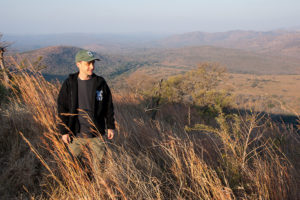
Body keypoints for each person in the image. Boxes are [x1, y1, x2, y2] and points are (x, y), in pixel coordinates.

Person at [57, 49, 115, 165]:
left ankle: (99, 183)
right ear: (78, 64)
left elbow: (108, 106)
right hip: (75, 134)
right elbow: (62, 109)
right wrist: (64, 131)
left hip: (97, 133)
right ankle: (80, 182)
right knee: (74, 165)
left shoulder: (100, 83)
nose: (92, 67)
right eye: (88, 64)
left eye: (93, 63)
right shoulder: (69, 84)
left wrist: (110, 126)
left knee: (100, 165)